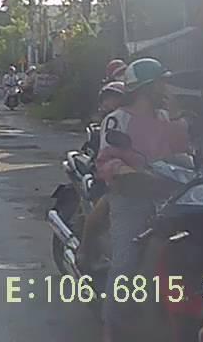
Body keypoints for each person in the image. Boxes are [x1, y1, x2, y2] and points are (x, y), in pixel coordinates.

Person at [94, 58, 192, 342]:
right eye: (161, 83)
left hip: (168, 195)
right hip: (130, 196)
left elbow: (182, 153)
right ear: (146, 88)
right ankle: (111, 330)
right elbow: (105, 161)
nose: (165, 88)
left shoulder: (164, 117)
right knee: (125, 264)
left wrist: (177, 117)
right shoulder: (117, 120)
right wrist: (127, 172)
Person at [75, 80, 125, 270]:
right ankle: (85, 251)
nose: (111, 102)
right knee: (105, 205)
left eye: (116, 98)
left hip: (136, 175)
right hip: (106, 178)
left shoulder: (134, 119)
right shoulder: (109, 123)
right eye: (108, 98)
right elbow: (103, 157)